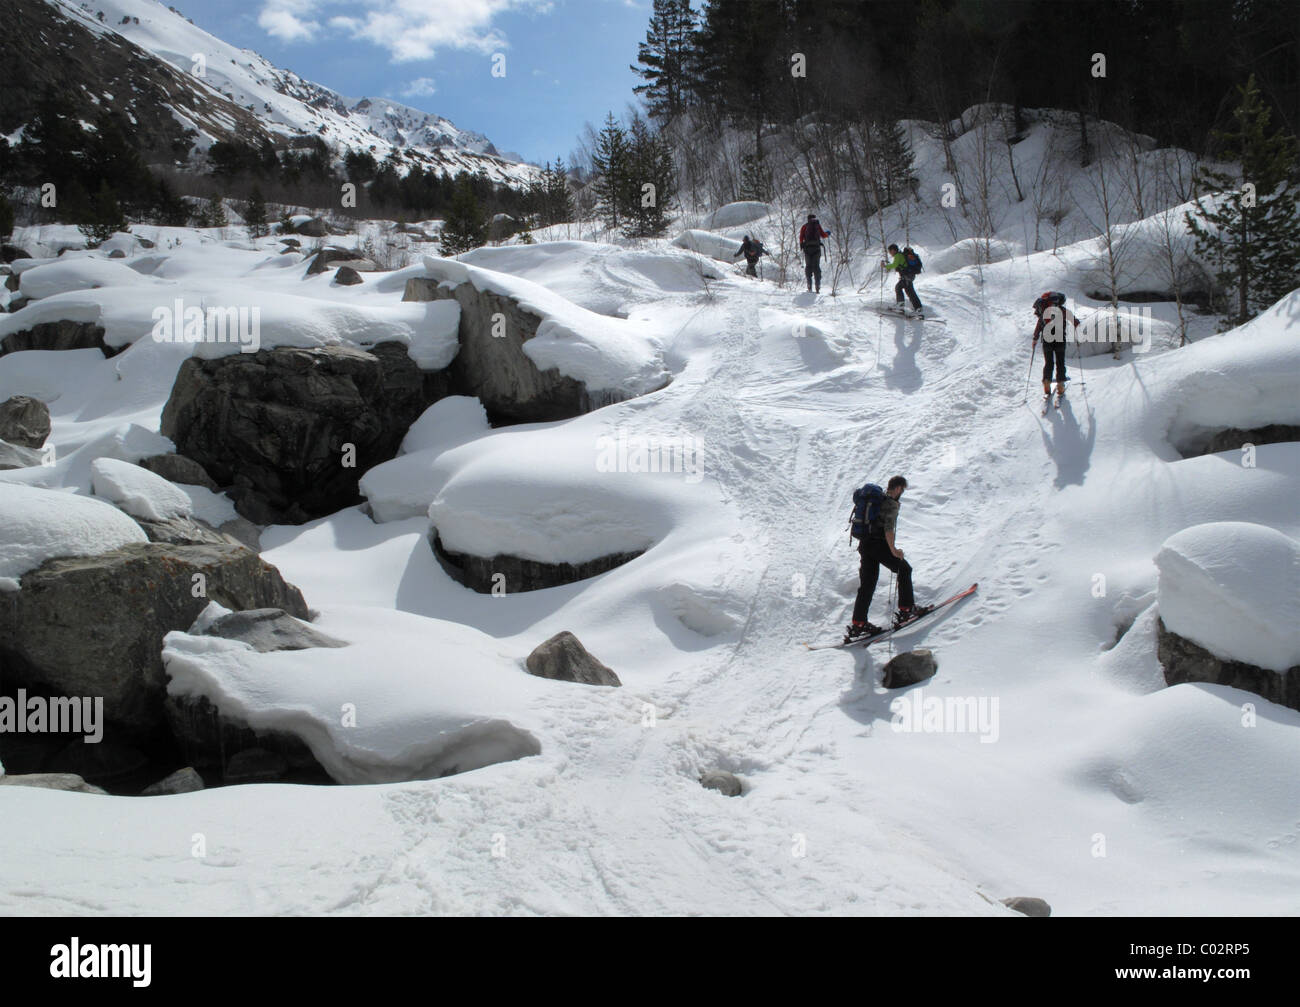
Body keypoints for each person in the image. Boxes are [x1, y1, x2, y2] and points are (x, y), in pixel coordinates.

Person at [845, 475, 932, 643]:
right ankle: (907, 609)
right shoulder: (890, 503)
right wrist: (894, 550)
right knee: (904, 569)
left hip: (865, 545)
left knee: (867, 584)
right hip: (878, 545)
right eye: (902, 489)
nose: (902, 493)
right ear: (898, 488)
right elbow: (888, 529)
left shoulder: (877, 500)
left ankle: (859, 623)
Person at [1032, 291, 1078, 399]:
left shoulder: (1045, 311)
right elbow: (1075, 321)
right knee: (1060, 362)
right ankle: (1060, 384)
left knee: (1048, 362)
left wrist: (1035, 339)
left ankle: (1047, 382)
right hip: (1060, 339)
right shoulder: (1062, 310)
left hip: (1047, 339)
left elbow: (1039, 326)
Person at [882, 243, 922, 313]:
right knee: (909, 291)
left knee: (898, 287)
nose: (890, 253)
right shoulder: (900, 255)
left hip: (907, 276)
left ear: (893, 250)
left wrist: (885, 266)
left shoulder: (898, 255)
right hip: (909, 276)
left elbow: (894, 265)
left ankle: (901, 305)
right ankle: (918, 307)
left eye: (890, 251)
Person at [798, 213, 829, 292]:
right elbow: (823, 235)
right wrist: (828, 233)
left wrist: (802, 244)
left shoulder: (804, 226)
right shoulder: (817, 226)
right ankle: (817, 285)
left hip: (807, 249)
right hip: (816, 249)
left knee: (808, 266)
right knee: (816, 267)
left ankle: (809, 285)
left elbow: (801, 237)